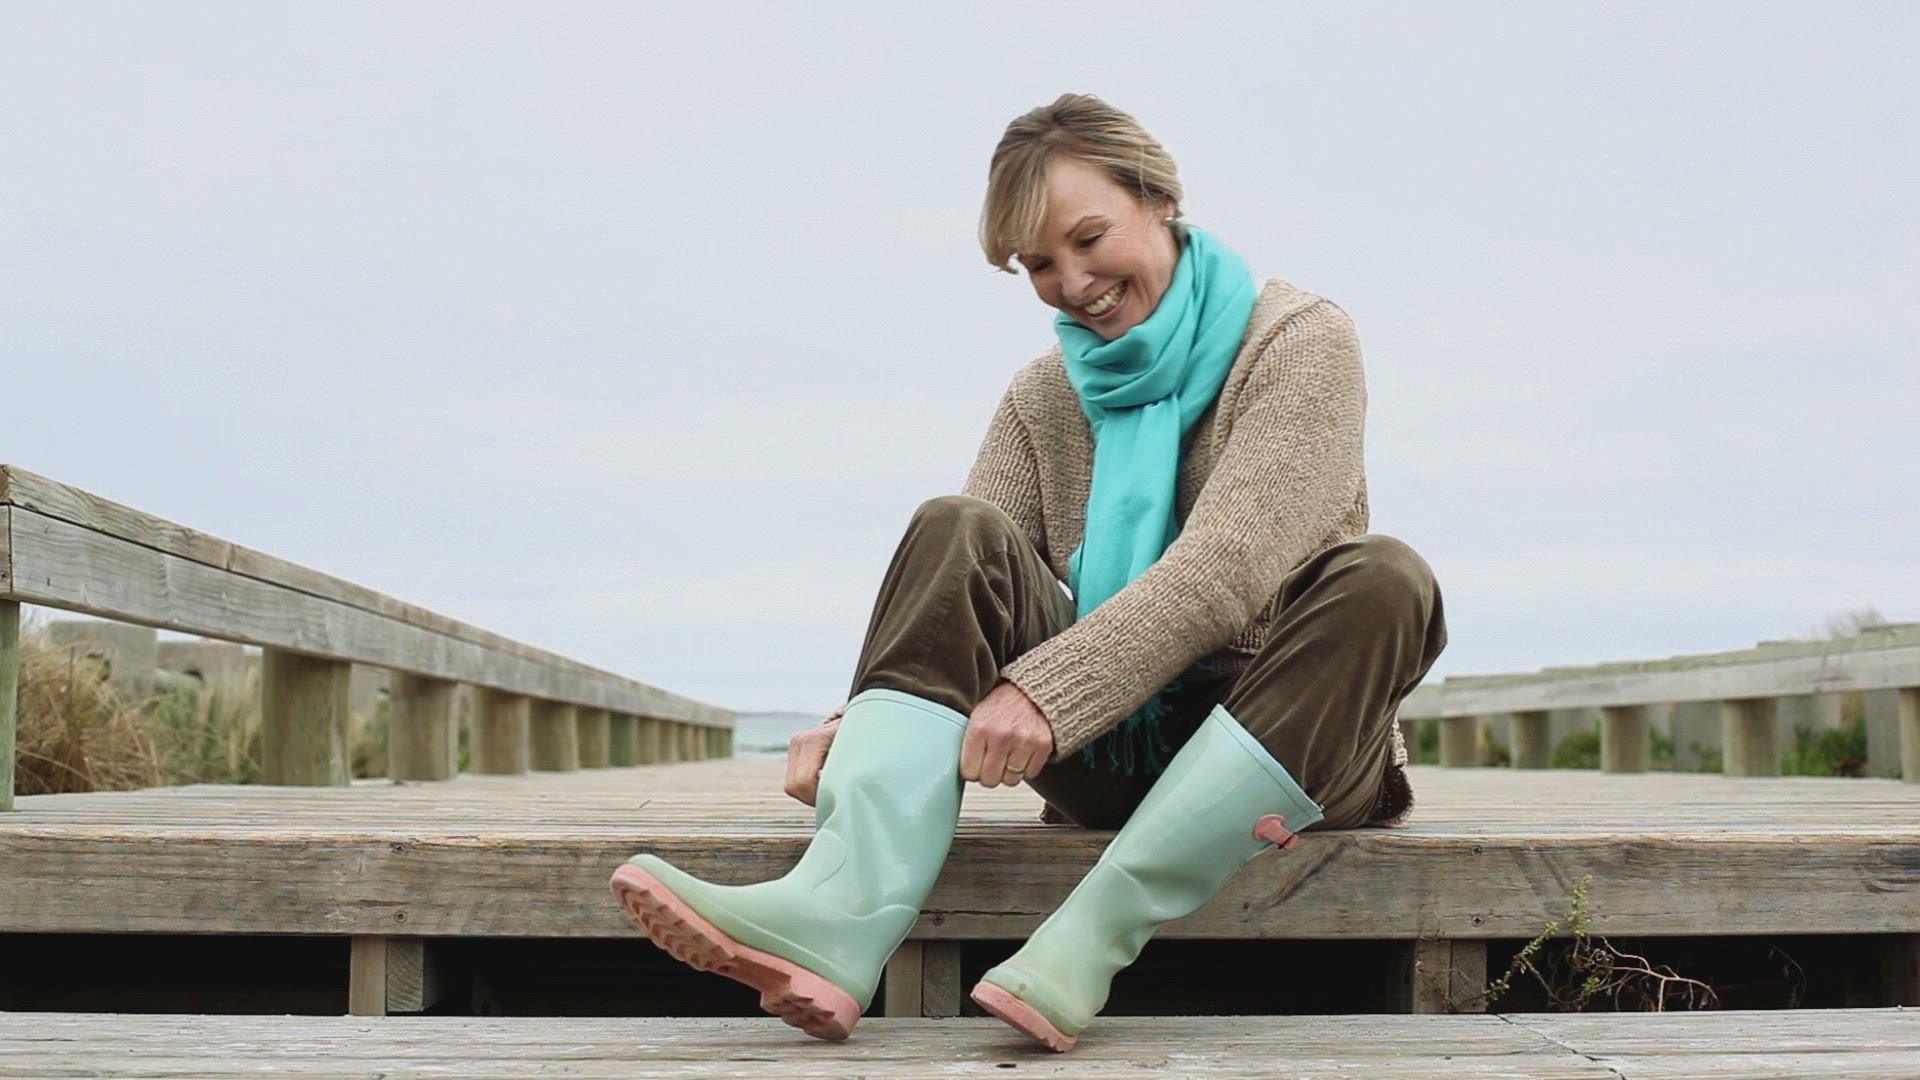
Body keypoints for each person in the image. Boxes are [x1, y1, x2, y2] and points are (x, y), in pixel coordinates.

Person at [610, 92, 1448, 1052]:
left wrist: (1051, 691)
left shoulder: (1300, 341)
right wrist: (855, 726)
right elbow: (960, 595)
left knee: (1387, 578)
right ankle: (836, 911)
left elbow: (1230, 565)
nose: (1073, 282)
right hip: (1115, 752)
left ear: (1160, 198)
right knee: (955, 525)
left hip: (1294, 742)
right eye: (1038, 265)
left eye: (1089, 239)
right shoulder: (1043, 393)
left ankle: (1084, 943)